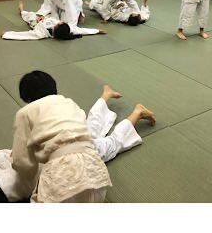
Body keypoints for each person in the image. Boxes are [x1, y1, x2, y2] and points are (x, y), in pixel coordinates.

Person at [9, 71, 155, 202]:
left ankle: (135, 111)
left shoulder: (24, 113)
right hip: (96, 176)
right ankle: (109, 97)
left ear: (27, 99)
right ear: (54, 89)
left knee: (110, 141)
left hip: (64, 188)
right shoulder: (67, 102)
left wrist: (29, 184)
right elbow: (84, 126)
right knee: (96, 130)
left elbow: (22, 162)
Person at [0, 1, 104, 40]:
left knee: (29, 15)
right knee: (51, 12)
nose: (61, 22)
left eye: (60, 23)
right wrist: (97, 31)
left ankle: (21, 10)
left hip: (35, 22)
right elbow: (82, 30)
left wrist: (6, 34)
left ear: (56, 27)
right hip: (46, 18)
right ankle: (25, 12)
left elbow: (25, 35)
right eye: (62, 22)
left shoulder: (42, 33)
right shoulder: (68, 29)